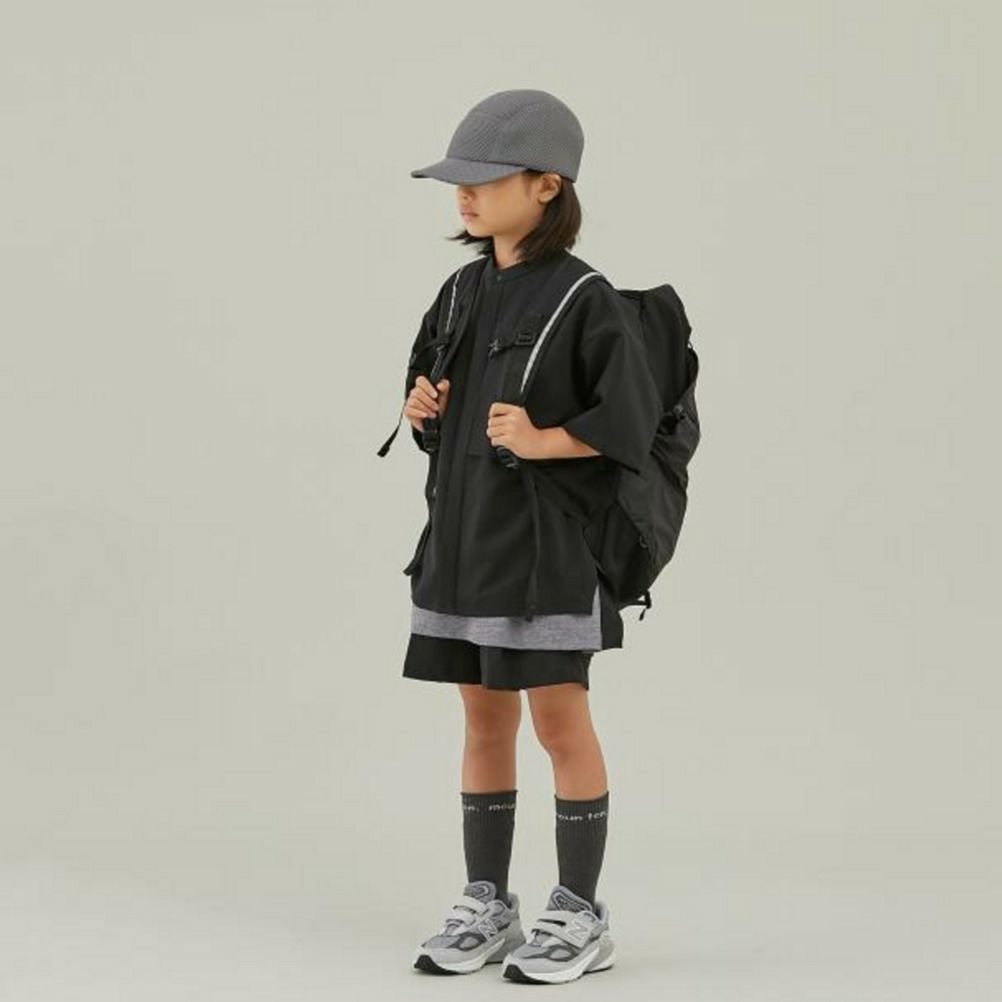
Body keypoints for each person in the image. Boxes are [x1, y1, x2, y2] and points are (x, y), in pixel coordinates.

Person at [397, 89, 664, 985]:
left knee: (559, 721)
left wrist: (545, 439)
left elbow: (630, 425)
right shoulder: (462, 290)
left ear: (548, 185)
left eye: (485, 178)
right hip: (464, 545)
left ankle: (580, 913)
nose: (464, 194)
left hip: (549, 555)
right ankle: (488, 902)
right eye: (458, 180)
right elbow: (437, 407)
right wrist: (423, 407)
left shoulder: (586, 298)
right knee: (482, 720)